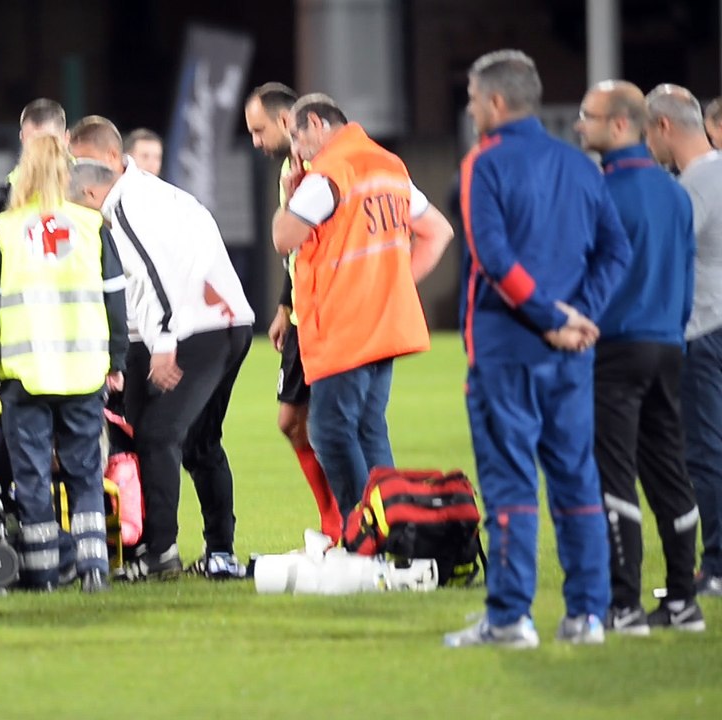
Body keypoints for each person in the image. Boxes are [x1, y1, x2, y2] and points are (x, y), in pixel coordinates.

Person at [443, 50, 631, 649]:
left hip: (507, 348)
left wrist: (552, 318)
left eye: (473, 98)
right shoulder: (580, 166)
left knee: (510, 483)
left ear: (496, 102)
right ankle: (588, 617)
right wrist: (581, 317)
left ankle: (509, 619)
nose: (470, 108)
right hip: (570, 354)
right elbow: (616, 253)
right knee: (577, 480)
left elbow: (494, 258)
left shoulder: (483, 164)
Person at [69, 116, 254, 580]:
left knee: (155, 436)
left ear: (110, 159)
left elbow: (155, 278)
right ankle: (218, 551)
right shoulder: (153, 194)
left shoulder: (128, 205)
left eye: (81, 162)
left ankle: (159, 552)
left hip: (194, 329)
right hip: (224, 322)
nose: (77, 173)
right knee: (198, 442)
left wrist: (164, 342)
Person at [271, 93, 453, 525]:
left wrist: (288, 193)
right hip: (383, 322)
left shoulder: (330, 172)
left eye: (296, 140)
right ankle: (397, 530)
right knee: (370, 431)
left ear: (316, 124)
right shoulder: (388, 165)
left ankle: (364, 532)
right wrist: (394, 284)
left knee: (331, 432)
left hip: (343, 326)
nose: (296, 153)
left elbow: (284, 238)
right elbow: (438, 231)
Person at [0, 134, 128, 592]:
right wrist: (117, 359)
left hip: (25, 375)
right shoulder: (91, 225)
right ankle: (94, 569)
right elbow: (115, 299)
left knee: (33, 473)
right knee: (84, 471)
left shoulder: (3, 231)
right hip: (84, 372)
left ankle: (43, 572)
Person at [575, 80, 703, 634]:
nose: (581, 124)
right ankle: (682, 601)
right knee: (670, 471)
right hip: (668, 346)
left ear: (621, 124)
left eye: (589, 115)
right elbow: (687, 276)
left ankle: (623, 605)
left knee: (614, 474)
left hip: (615, 346)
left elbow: (581, 274)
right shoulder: (676, 192)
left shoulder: (597, 191)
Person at [243, 81, 340, 542]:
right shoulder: (291, 168)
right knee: (291, 422)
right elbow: (297, 251)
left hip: (329, 315)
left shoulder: (321, 171)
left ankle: (349, 520)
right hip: (302, 313)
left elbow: (302, 240)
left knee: (333, 424)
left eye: (259, 130)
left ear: (287, 121)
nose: (255, 142)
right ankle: (334, 518)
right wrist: (284, 303)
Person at [646, 84, 722, 602]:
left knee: (705, 451)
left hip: (704, 328)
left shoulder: (692, 186)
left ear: (664, 127)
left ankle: (715, 567)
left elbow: (667, 256)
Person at [0, 98, 69, 220]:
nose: (40, 151)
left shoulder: (88, 187)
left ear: (66, 139)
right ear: (22, 139)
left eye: (47, 142)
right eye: (33, 144)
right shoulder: (5, 194)